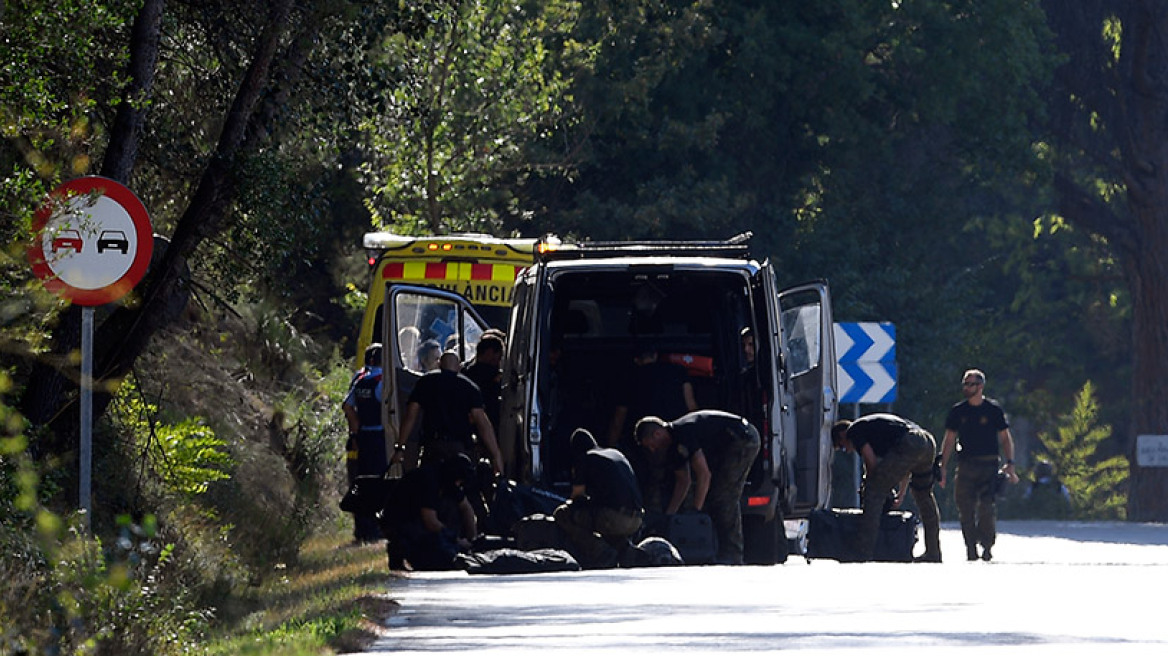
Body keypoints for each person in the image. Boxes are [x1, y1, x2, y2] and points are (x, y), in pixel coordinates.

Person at [635, 410, 760, 565]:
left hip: (743, 438)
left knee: (724, 496)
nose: (653, 450)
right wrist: (669, 517)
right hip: (726, 445)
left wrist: (695, 512)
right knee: (712, 494)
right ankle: (715, 548)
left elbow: (704, 474)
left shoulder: (683, 431)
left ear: (657, 434)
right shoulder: (673, 448)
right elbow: (684, 482)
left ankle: (733, 554)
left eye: (651, 445)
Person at [831, 414, 942, 562]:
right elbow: (905, 468)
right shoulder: (875, 428)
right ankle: (933, 552)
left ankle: (863, 551)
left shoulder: (854, 431)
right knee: (923, 495)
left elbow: (870, 461)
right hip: (927, 442)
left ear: (842, 434)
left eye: (842, 447)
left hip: (911, 441)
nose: (848, 450)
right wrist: (900, 494)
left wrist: (871, 486)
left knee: (873, 493)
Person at [939, 369, 1019, 561]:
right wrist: (942, 466)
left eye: (970, 384)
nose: (966, 388)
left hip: (989, 465)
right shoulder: (958, 411)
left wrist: (1010, 463)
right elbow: (949, 440)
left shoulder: (993, 410)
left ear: (980, 386)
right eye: (965, 384)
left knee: (986, 508)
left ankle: (987, 545)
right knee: (965, 508)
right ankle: (970, 547)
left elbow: (1005, 439)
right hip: (966, 466)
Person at [393, 352, 504, 474]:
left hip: (433, 444)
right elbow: (483, 423)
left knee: (431, 484)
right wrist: (496, 454)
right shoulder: (470, 387)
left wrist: (400, 448)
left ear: (440, 364)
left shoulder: (425, 382)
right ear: (459, 367)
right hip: (460, 446)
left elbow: (410, 416)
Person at [553, 428, 644, 568]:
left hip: (615, 518)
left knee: (563, 514)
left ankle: (600, 551)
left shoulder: (584, 458)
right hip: (637, 519)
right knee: (599, 514)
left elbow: (577, 496)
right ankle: (626, 550)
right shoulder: (615, 453)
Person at [381, 453, 478, 570]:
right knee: (444, 559)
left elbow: (467, 509)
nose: (459, 485)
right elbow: (430, 521)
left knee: (452, 510)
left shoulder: (447, 481)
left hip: (418, 523)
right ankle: (404, 554)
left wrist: (472, 541)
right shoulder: (429, 480)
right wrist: (455, 540)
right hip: (401, 524)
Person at [343, 343, 390, 543]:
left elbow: (348, 406)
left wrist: (355, 432)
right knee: (380, 482)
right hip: (380, 437)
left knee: (362, 481)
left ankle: (363, 527)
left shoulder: (360, 379)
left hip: (364, 437)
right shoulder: (383, 382)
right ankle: (377, 528)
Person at [607, 344, 698, 447]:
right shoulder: (679, 371)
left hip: (644, 439)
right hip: (676, 436)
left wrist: (611, 447)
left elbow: (618, 419)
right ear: (655, 356)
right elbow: (691, 406)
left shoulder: (629, 378)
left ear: (636, 360)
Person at [462, 330, 505, 432]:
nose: (498, 361)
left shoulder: (465, 371)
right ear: (489, 352)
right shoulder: (489, 374)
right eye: (497, 356)